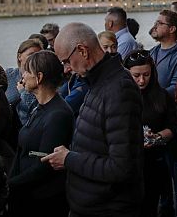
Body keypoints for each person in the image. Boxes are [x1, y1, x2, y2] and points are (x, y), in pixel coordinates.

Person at [42, 22, 144, 216]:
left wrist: (70, 159)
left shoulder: (118, 89)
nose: (66, 69)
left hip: (108, 208)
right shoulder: (98, 83)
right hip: (91, 204)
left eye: (66, 61)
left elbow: (122, 167)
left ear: (82, 50)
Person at [9, 50, 73, 216]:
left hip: (42, 200)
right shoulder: (40, 106)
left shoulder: (58, 114)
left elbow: (44, 165)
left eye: (27, 72)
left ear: (39, 77)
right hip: (26, 191)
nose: (23, 76)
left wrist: (8, 185)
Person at [125, 49, 177, 217]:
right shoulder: (119, 96)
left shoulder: (162, 96)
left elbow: (174, 126)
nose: (142, 81)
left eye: (146, 75)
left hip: (154, 163)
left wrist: (158, 137)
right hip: (126, 163)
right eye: (136, 75)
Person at [150, 10, 177, 96]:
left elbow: (176, 87)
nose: (155, 26)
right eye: (155, 23)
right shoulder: (153, 51)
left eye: (159, 23)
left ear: (172, 29)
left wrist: (153, 98)